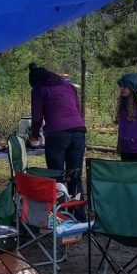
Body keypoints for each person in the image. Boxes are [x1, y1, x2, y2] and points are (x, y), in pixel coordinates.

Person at [28, 63, 86, 199]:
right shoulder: (69, 86)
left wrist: (34, 136)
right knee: (75, 174)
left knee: (56, 176)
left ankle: (60, 214)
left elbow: (36, 118)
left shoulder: (38, 89)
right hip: (79, 131)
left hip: (57, 134)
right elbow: (77, 111)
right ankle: (79, 214)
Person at [115, 73, 137, 162]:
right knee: (126, 175)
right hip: (125, 148)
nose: (121, 89)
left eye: (125, 86)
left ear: (133, 87)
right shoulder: (122, 103)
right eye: (121, 86)